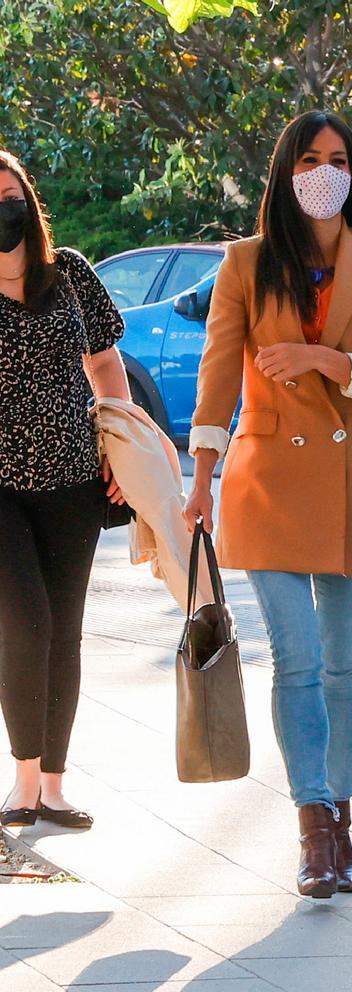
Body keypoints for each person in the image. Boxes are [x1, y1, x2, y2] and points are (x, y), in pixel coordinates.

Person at [183, 110, 352, 898]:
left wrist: (322, 357)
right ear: (286, 171)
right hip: (268, 487)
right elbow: (217, 375)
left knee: (344, 667)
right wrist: (200, 479)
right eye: (311, 158)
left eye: (339, 158)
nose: (326, 170)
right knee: (299, 660)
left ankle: (343, 821)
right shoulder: (246, 263)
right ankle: (314, 832)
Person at [0, 151, 129, 830]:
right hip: (0, 486)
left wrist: (121, 441)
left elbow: (105, 362)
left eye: (9, 195)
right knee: (26, 621)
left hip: (75, 477)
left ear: (28, 199)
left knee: (65, 631)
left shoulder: (71, 272)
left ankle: (52, 787)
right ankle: (21, 784)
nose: (3, 210)